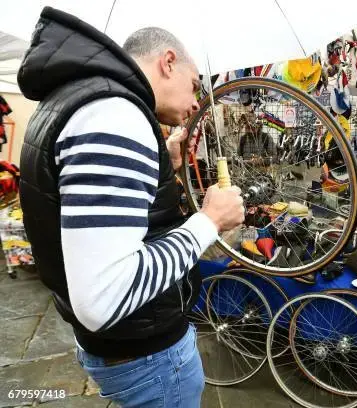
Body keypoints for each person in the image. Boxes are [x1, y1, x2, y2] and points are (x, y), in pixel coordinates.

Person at [17, 7, 244, 408]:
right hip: (148, 358)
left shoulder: (78, 97)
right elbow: (103, 297)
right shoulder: (115, 115)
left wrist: (158, 163)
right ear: (168, 62)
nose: (196, 103)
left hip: (124, 349)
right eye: (195, 86)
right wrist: (209, 222)